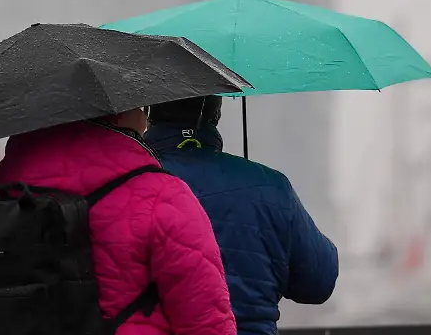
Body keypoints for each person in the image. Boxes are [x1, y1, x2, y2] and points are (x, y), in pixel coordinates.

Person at [0, 107, 237, 335]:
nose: (145, 122)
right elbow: (206, 321)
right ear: (118, 113)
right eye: (140, 108)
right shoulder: (162, 196)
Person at [144, 96, 339, 335]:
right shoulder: (270, 187)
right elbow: (319, 282)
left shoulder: (131, 187)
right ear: (216, 114)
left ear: (149, 114)